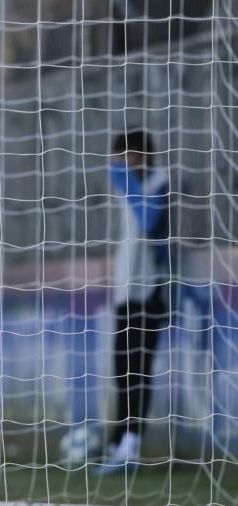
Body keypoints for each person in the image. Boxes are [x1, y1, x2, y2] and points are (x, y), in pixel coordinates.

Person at [100, 130, 171, 474]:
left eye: (126, 156)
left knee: (138, 369)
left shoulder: (159, 183)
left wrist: (125, 181)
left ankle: (131, 444)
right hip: (126, 290)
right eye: (118, 157)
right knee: (120, 369)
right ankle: (117, 442)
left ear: (143, 156)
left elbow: (149, 222)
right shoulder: (126, 185)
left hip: (151, 291)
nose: (120, 163)